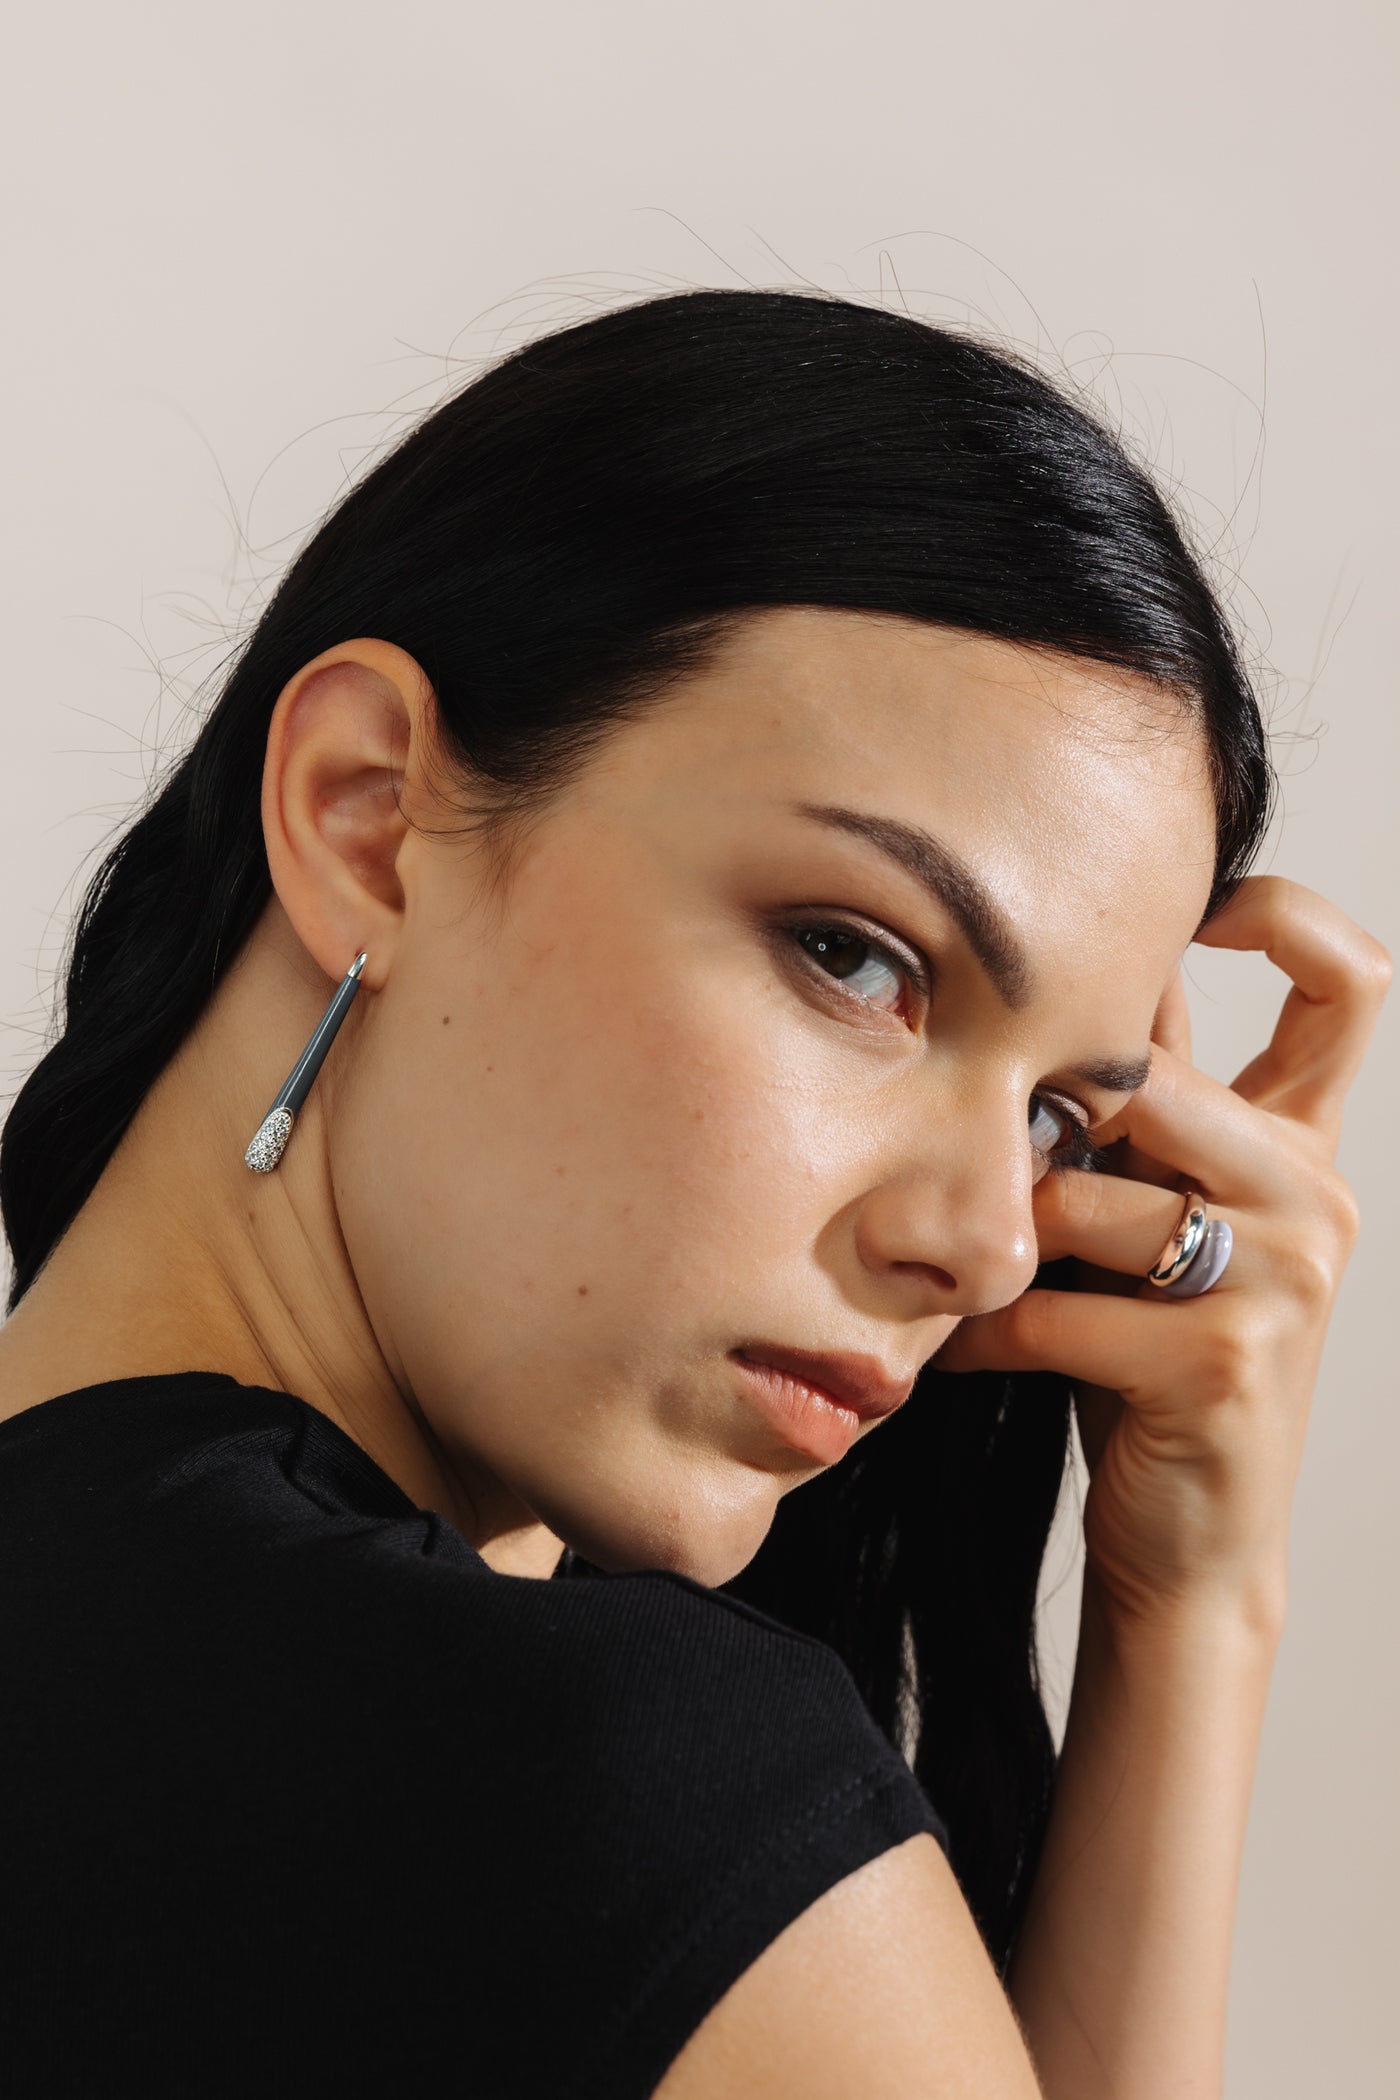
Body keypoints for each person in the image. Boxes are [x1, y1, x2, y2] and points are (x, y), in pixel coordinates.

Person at [0, 287, 1387, 2099]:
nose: (981, 1245)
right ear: (366, 814)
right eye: (858, 957)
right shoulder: (627, 1789)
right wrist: (1203, 1622)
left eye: (1061, 1116)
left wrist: (1182, 1609)